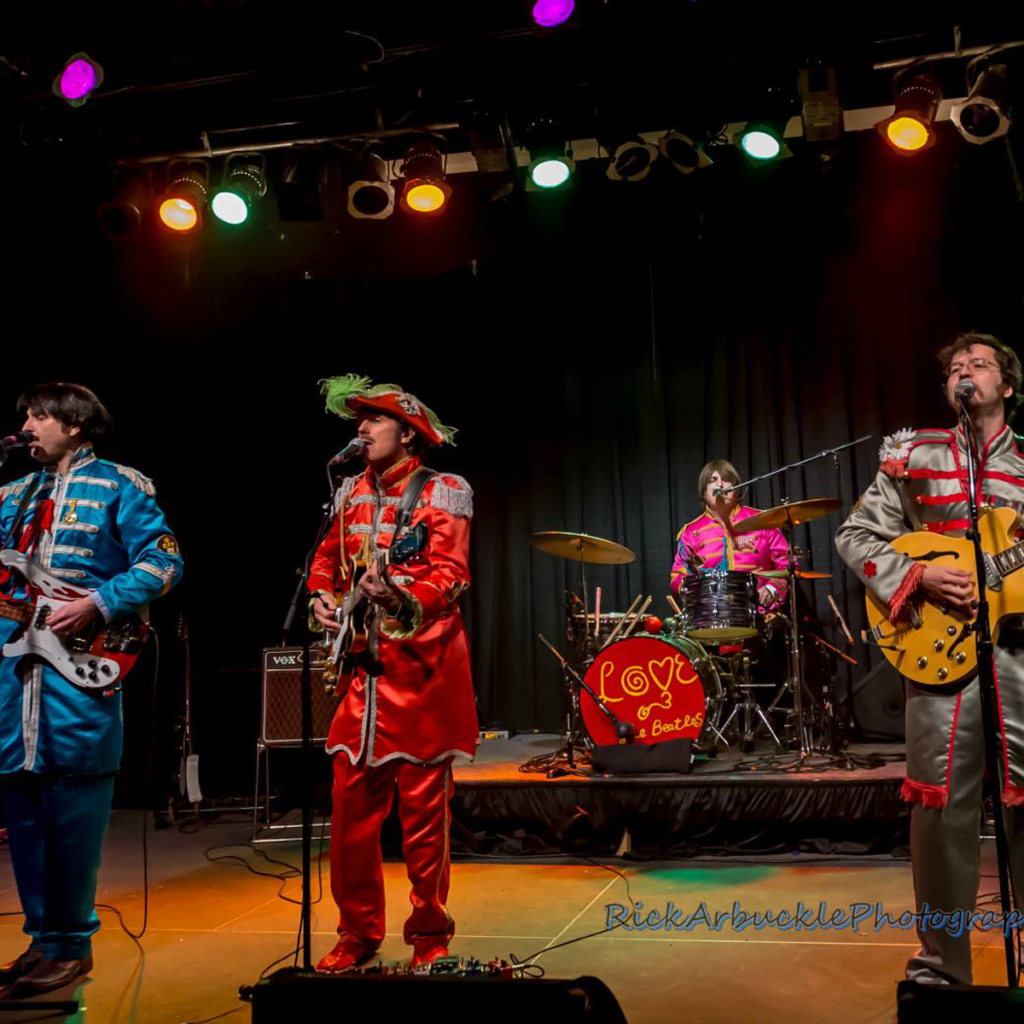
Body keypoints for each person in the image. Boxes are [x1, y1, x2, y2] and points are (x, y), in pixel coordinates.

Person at [835, 331, 1024, 984]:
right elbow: (854, 534)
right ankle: (942, 971)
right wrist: (919, 576)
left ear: (1008, 384)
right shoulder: (915, 456)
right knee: (940, 816)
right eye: (956, 365)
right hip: (939, 659)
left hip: (1021, 657)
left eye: (982, 363)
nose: (966, 370)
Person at [0, 382, 182, 994]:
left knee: (72, 808)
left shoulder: (120, 485)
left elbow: (163, 563)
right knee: (22, 811)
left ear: (74, 425)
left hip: (79, 673)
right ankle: (42, 940)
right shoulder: (12, 493)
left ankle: (72, 945)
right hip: (13, 677)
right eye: (24, 414)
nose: (26, 424)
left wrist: (100, 603)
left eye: (38, 415)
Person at [308, 375, 477, 972]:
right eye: (359, 422)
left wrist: (400, 601)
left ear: (406, 432)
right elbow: (327, 559)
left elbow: (450, 575)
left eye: (373, 421)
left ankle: (429, 934)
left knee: (425, 825)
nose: (361, 429)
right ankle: (357, 934)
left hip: (423, 677)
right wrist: (323, 599)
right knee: (350, 816)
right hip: (363, 676)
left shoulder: (443, 490)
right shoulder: (351, 490)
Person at [671, 459, 790, 610]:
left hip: (760, 615)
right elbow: (678, 575)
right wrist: (696, 593)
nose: (720, 485)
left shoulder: (763, 522)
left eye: (726, 480)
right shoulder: (690, 532)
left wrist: (772, 590)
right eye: (712, 480)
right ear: (704, 492)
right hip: (711, 617)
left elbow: (786, 565)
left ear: (737, 488)